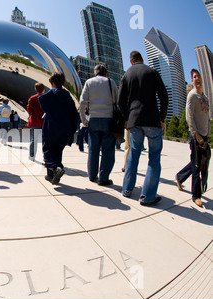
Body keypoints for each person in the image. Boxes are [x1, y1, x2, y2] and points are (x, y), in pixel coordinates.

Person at [118, 51, 168, 206]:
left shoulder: (127, 74)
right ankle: (147, 196)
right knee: (154, 157)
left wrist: (128, 116)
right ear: (142, 59)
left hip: (135, 121)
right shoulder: (152, 72)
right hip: (152, 119)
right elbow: (164, 95)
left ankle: (126, 189)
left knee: (133, 153)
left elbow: (120, 101)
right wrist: (161, 117)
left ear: (131, 61)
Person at [175, 69, 210, 207]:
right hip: (196, 136)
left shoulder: (205, 98)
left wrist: (207, 134)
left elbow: (207, 117)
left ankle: (180, 176)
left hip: (204, 135)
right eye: (195, 77)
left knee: (198, 162)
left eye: (199, 76)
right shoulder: (192, 95)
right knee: (197, 165)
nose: (198, 78)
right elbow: (189, 117)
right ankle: (196, 196)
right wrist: (196, 135)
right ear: (192, 80)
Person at [79, 65, 118, 185]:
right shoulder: (111, 82)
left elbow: (82, 102)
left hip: (94, 119)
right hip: (109, 119)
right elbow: (117, 101)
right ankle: (103, 177)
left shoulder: (89, 82)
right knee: (108, 150)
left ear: (95, 73)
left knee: (93, 149)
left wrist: (83, 119)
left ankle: (92, 175)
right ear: (106, 73)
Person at [39, 73, 79, 185]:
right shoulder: (67, 95)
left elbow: (43, 104)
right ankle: (51, 176)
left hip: (51, 126)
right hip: (65, 128)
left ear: (52, 83)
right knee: (58, 151)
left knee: (48, 148)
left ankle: (56, 168)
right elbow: (74, 114)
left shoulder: (51, 94)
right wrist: (72, 130)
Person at [26, 83, 45, 160]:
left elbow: (29, 109)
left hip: (35, 121)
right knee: (45, 140)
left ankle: (32, 156)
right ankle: (45, 157)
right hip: (44, 121)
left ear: (36, 89)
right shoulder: (46, 97)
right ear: (43, 89)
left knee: (34, 139)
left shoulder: (32, 98)